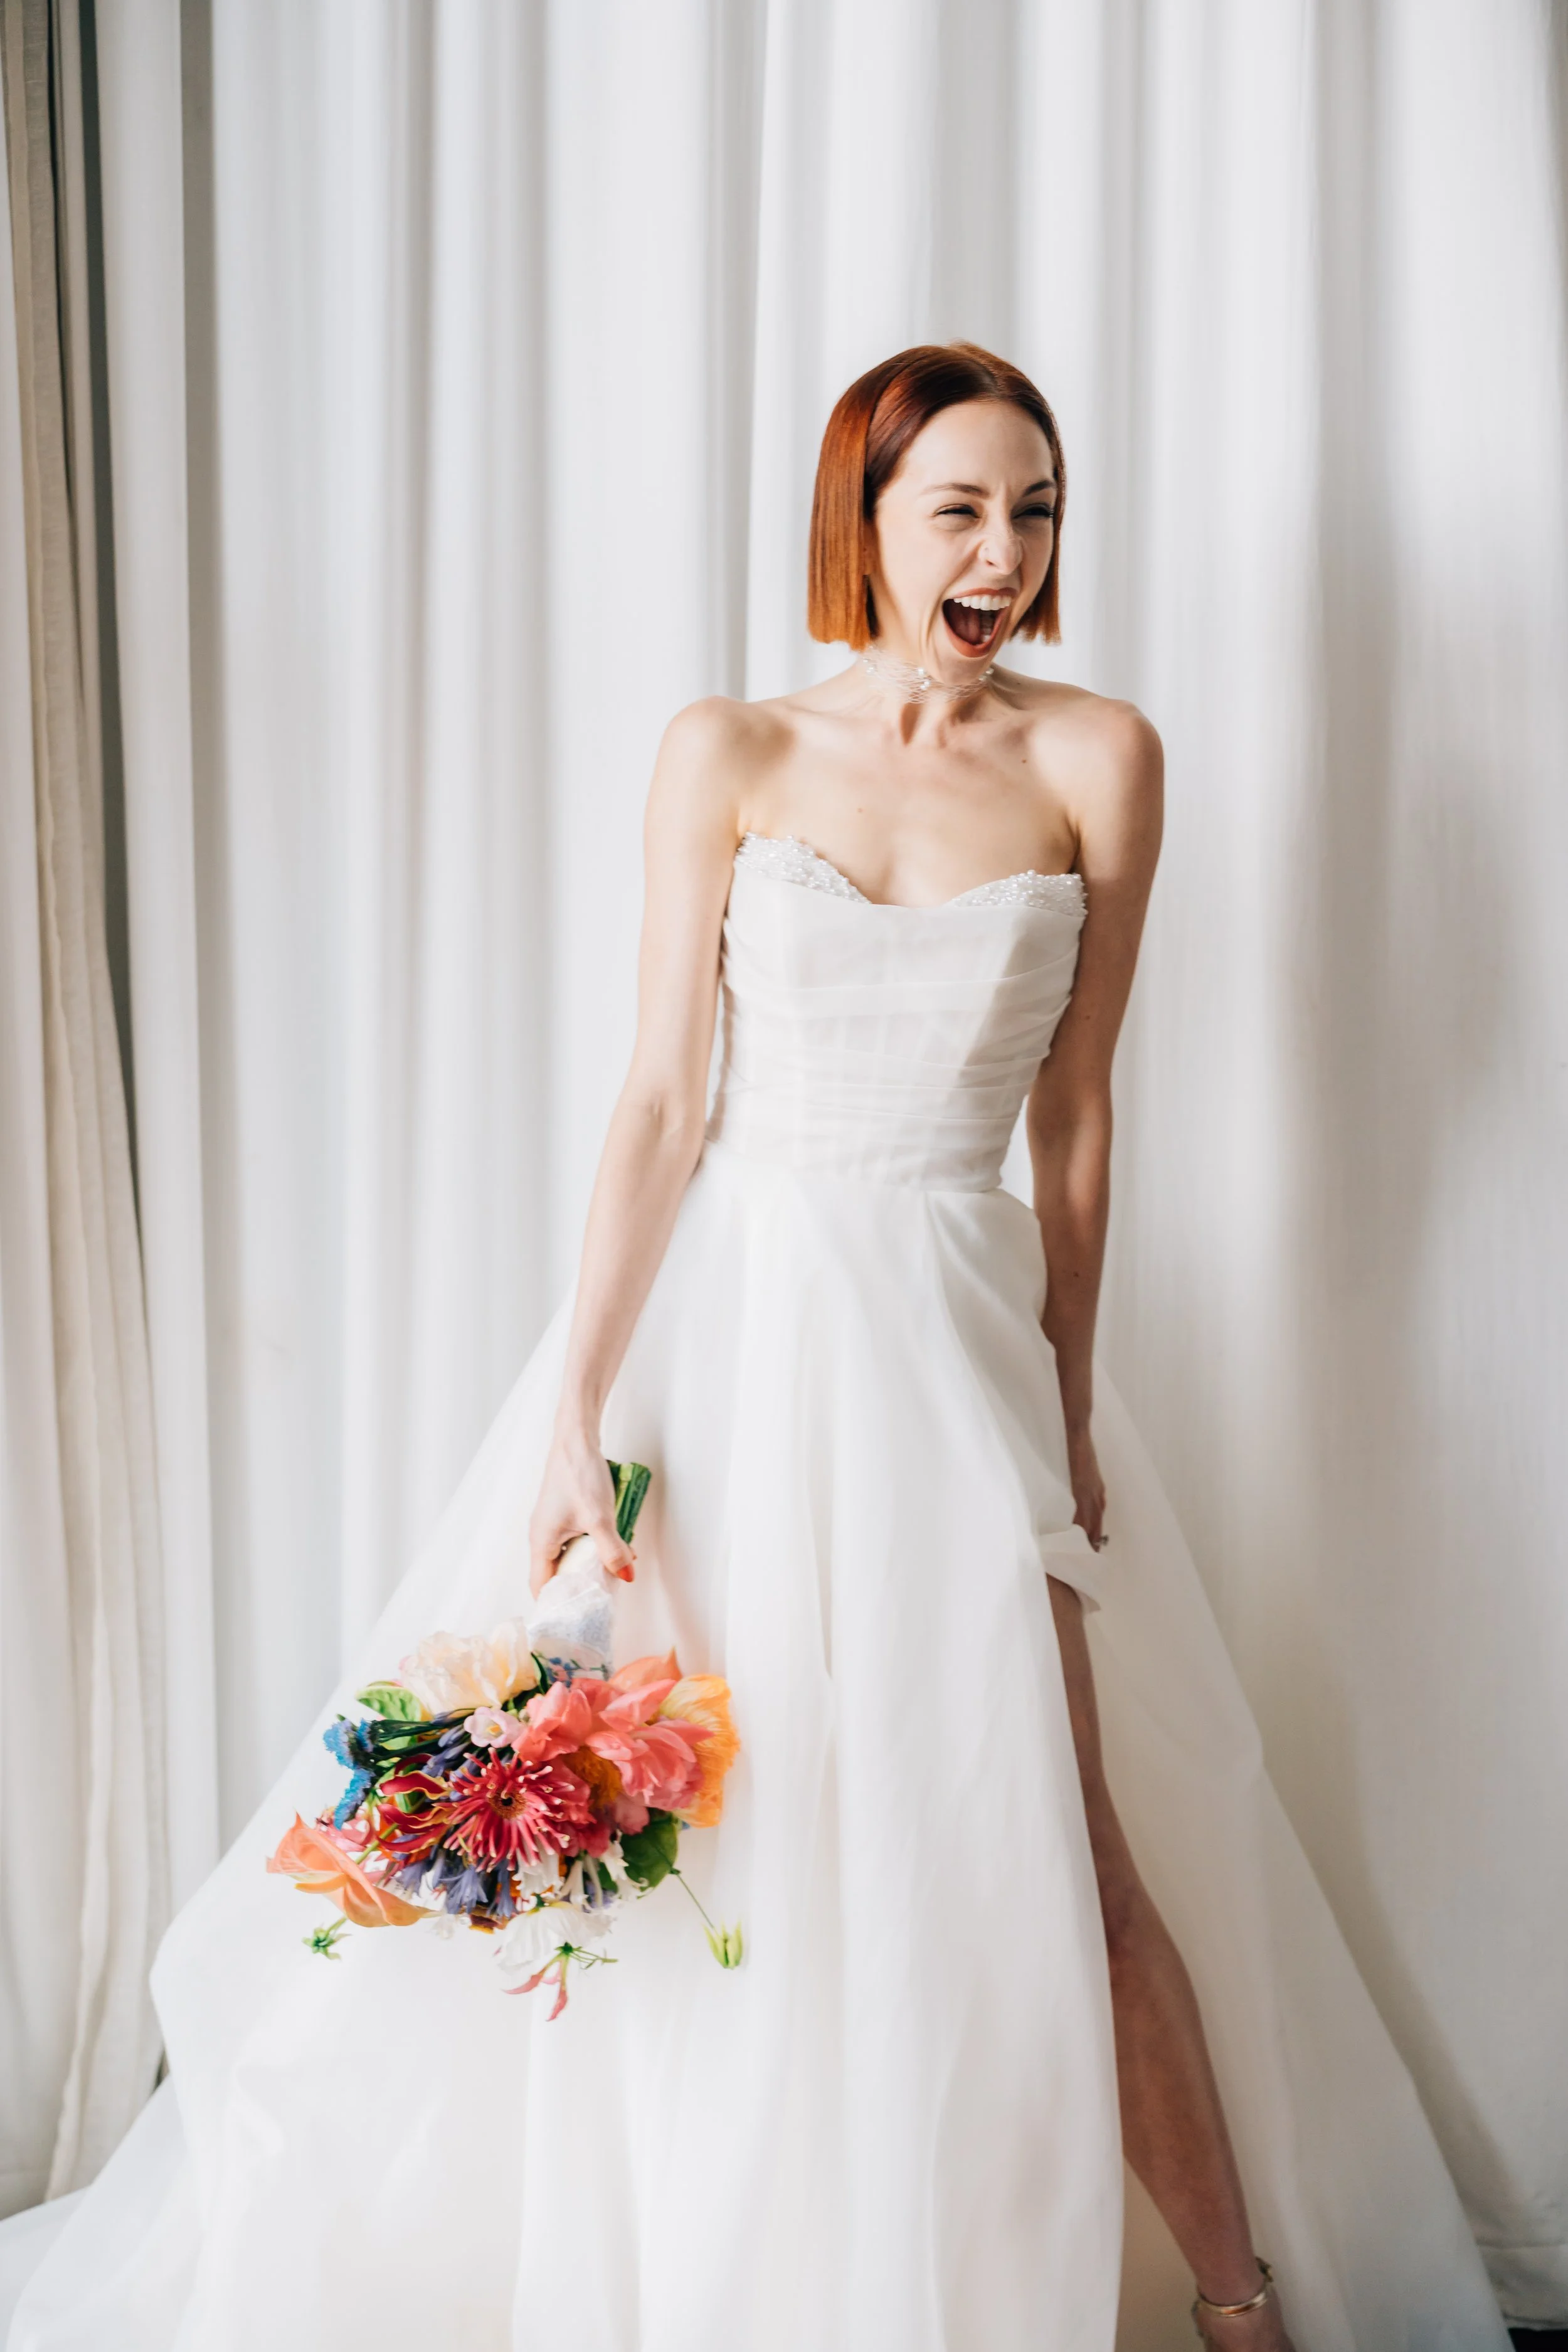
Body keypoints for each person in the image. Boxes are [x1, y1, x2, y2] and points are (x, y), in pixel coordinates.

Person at [4, 345, 1508, 2352]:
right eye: (957, 508)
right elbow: (654, 1102)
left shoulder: (1100, 761)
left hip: (958, 1349)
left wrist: (1064, 1401)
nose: (1001, 550)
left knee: (1061, 1847)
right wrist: (573, 1414)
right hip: (733, 1344)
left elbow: (1075, 1118)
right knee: (734, 1830)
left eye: (1034, 508)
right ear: (864, 521)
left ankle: (1236, 2303)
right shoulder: (728, 749)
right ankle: (753, 2285)